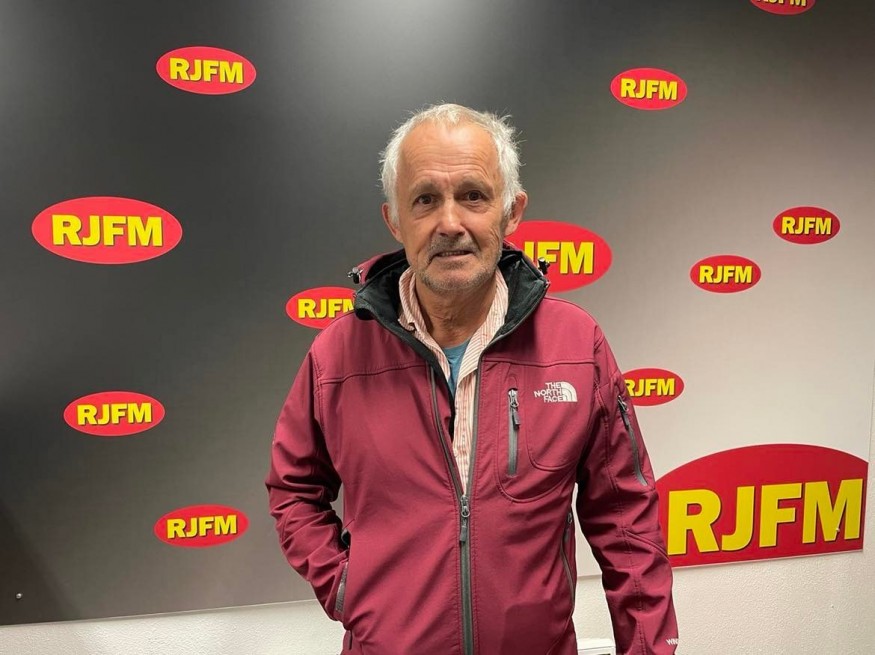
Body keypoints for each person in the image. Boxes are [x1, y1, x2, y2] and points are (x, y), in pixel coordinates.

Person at [266, 103, 679, 655]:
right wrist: (347, 587)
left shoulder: (577, 347)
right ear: (395, 220)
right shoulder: (337, 356)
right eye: (425, 199)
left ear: (512, 211)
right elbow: (293, 490)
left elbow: (627, 520)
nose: (450, 223)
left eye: (473, 196)